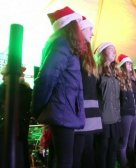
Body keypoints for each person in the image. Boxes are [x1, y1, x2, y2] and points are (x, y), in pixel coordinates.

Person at [31, 7, 85, 168]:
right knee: (64, 160)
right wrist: (37, 108)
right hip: (62, 110)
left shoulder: (66, 44)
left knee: (59, 158)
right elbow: (47, 76)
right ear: (70, 24)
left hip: (63, 109)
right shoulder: (62, 43)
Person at [72, 16, 103, 168]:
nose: (92, 33)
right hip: (80, 109)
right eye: (90, 29)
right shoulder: (75, 52)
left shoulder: (87, 55)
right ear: (81, 29)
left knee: (88, 150)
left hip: (89, 109)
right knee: (78, 151)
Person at [94, 42, 121, 168]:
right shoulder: (96, 71)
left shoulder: (116, 71)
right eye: (111, 50)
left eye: (115, 50)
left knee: (113, 149)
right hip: (103, 118)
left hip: (115, 118)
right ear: (103, 53)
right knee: (102, 150)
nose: (114, 52)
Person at [0, 66, 32, 168]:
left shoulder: (3, 90)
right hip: (21, 135)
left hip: (5, 134)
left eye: (4, 75)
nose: (3, 78)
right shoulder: (27, 91)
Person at [117, 54, 136, 168]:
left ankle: (132, 164)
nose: (131, 65)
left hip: (134, 114)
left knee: (132, 143)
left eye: (131, 63)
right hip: (125, 114)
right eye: (128, 63)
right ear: (123, 65)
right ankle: (124, 165)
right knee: (123, 143)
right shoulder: (120, 79)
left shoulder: (134, 80)